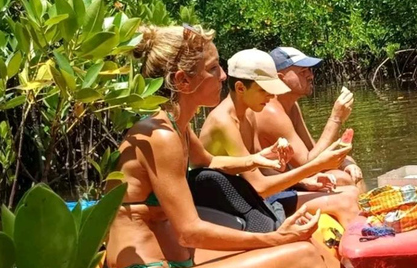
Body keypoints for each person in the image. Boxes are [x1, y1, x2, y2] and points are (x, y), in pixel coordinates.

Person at [106, 25, 338, 268]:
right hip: (148, 264)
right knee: (303, 254)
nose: (224, 76)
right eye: (213, 68)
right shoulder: (161, 136)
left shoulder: (177, 127)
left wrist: (257, 159)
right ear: (183, 80)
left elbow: (210, 161)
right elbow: (189, 231)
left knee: (303, 245)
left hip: (176, 255)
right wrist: (275, 238)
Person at [198, 48, 359, 228]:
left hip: (249, 195)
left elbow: (259, 169)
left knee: (350, 191)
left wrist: (304, 182)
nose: (271, 96)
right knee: (346, 200)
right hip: (233, 205)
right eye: (264, 90)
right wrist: (315, 167)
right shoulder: (224, 122)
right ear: (240, 88)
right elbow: (259, 187)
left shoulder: (249, 113)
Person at [255, 47, 365, 191]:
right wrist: (336, 118)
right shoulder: (270, 111)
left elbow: (312, 150)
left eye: (309, 70)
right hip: (278, 188)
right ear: (280, 78)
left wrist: (345, 163)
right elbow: (308, 165)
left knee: (349, 163)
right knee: (342, 179)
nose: (310, 76)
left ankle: (370, 210)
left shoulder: (291, 106)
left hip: (294, 178)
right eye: (303, 72)